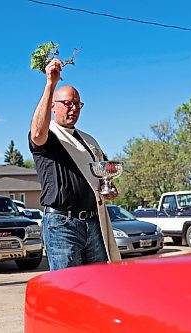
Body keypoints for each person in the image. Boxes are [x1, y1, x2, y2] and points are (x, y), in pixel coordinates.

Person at [28, 58, 120, 270]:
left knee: (97, 286)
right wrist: (50, 84)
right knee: (68, 289)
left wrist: (107, 188)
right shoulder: (49, 135)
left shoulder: (89, 141)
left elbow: (100, 175)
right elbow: (37, 133)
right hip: (62, 225)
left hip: (93, 222)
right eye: (67, 103)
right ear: (53, 106)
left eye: (77, 104)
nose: (74, 108)